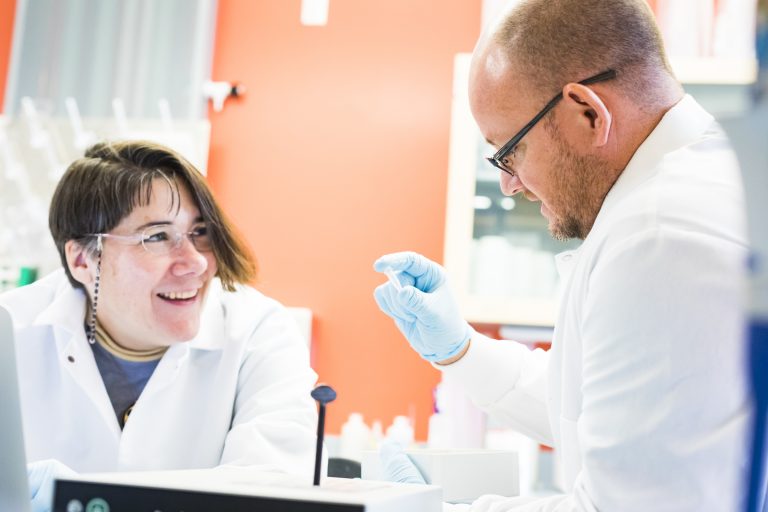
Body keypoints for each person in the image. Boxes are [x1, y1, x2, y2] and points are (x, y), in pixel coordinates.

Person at [373, 0, 751, 510]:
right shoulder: (689, 186)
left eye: (510, 151)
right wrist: (462, 350)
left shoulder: (659, 236)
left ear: (588, 114)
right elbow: (602, 411)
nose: (509, 185)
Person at [0, 141, 320, 511]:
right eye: (156, 236)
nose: (196, 262)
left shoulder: (259, 333)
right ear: (83, 260)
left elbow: (273, 492)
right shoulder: (12, 332)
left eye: (201, 232)